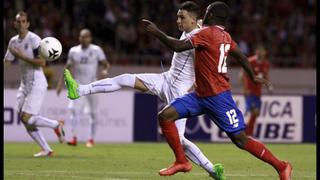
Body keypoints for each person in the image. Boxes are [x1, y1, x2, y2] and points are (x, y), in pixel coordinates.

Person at [64, 2, 225, 179]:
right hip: (166, 80)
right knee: (124, 78)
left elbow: (202, 64)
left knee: (179, 140)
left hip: (179, 92)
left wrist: (194, 85)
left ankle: (212, 169)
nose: (178, 20)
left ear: (193, 20)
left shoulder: (198, 37)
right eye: (178, 16)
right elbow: (200, 25)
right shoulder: (195, 27)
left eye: (182, 17)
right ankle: (79, 90)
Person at [141, 2, 292, 179]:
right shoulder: (225, 36)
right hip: (199, 96)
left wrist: (157, 32)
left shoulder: (206, 33)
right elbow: (241, 56)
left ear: (211, 16)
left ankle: (282, 166)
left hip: (219, 98)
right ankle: (181, 161)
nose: (203, 15)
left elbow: (178, 46)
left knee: (241, 140)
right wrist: (252, 76)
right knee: (165, 116)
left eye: (206, 12)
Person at [3, 11, 65, 157]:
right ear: (14, 24)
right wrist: (13, 58)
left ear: (28, 24)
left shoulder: (35, 40)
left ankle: (56, 125)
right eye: (18, 21)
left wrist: (21, 56)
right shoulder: (13, 41)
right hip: (24, 83)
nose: (21, 24)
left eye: (24, 21)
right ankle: (47, 149)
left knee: (26, 117)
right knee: (24, 120)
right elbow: (7, 62)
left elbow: (42, 62)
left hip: (37, 82)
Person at [56, 29, 110, 148]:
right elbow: (67, 68)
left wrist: (105, 71)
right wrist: (60, 83)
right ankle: (74, 137)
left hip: (93, 85)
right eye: (82, 37)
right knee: (74, 111)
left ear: (90, 38)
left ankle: (91, 139)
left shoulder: (96, 50)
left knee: (93, 113)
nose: (84, 39)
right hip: (78, 84)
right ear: (79, 38)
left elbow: (106, 64)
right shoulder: (73, 51)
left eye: (86, 37)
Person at [240, 45, 273, 136]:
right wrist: (245, 88)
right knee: (255, 111)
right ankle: (247, 133)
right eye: (259, 51)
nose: (260, 53)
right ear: (256, 51)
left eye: (262, 51)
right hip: (249, 92)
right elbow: (242, 75)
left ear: (265, 53)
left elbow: (265, 76)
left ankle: (248, 133)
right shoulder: (250, 61)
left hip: (258, 92)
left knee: (256, 114)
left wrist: (269, 86)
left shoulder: (266, 64)